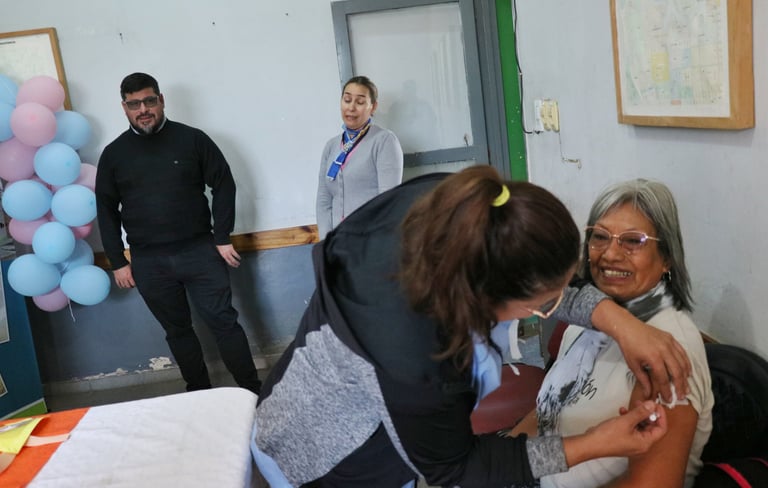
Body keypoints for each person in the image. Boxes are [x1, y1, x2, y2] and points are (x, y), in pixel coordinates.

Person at [253, 166, 693, 487]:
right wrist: (594, 442)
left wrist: (620, 322)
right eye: (544, 306)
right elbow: (456, 466)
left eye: (633, 242)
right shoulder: (417, 362)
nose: (559, 305)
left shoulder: (465, 208)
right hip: (328, 458)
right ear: (484, 300)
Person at [511, 178, 713, 488]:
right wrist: (499, 465)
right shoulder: (586, 322)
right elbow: (548, 411)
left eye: (633, 241)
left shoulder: (669, 348)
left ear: (667, 259)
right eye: (600, 237)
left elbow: (651, 485)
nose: (610, 254)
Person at [95, 72, 261, 395]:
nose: (143, 110)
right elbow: (106, 209)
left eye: (149, 101)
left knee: (224, 323)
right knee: (177, 331)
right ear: (124, 108)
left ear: (161, 100)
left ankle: (252, 393)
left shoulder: (192, 140)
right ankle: (198, 395)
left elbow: (223, 183)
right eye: (134, 104)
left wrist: (222, 236)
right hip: (149, 261)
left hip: (200, 252)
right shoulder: (114, 155)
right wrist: (117, 260)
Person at [316, 75, 403, 239]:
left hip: (369, 239)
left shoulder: (384, 141)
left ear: (373, 106)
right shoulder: (331, 146)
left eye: (360, 102)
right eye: (347, 100)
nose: (351, 107)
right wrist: (326, 242)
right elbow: (324, 199)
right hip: (337, 241)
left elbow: (388, 201)